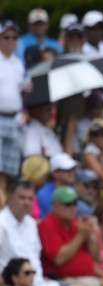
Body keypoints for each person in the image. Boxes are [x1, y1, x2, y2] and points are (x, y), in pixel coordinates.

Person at [38, 186, 103, 286]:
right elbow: (58, 259)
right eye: (68, 204)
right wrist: (81, 235)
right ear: (55, 206)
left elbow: (96, 257)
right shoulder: (48, 224)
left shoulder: (77, 223)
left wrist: (90, 235)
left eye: (75, 204)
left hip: (87, 280)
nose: (73, 208)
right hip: (63, 282)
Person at [0, 20, 29, 201]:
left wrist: (26, 92)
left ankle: (2, 203)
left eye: (14, 37)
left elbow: (19, 94)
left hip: (14, 118)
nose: (11, 41)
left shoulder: (18, 64)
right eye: (6, 37)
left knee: (8, 169)